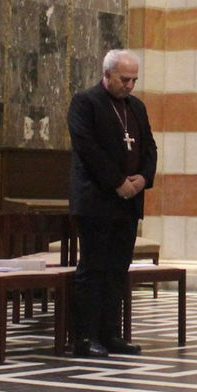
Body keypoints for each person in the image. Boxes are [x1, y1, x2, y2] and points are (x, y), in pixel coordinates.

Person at [68, 49, 157, 358]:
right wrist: (118, 182)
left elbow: (149, 148)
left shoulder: (137, 107)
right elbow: (87, 148)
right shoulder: (85, 102)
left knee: (118, 270)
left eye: (134, 80)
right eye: (124, 79)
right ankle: (85, 337)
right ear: (106, 75)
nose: (130, 85)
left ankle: (111, 334)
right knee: (93, 269)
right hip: (96, 201)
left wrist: (143, 179)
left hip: (127, 203)